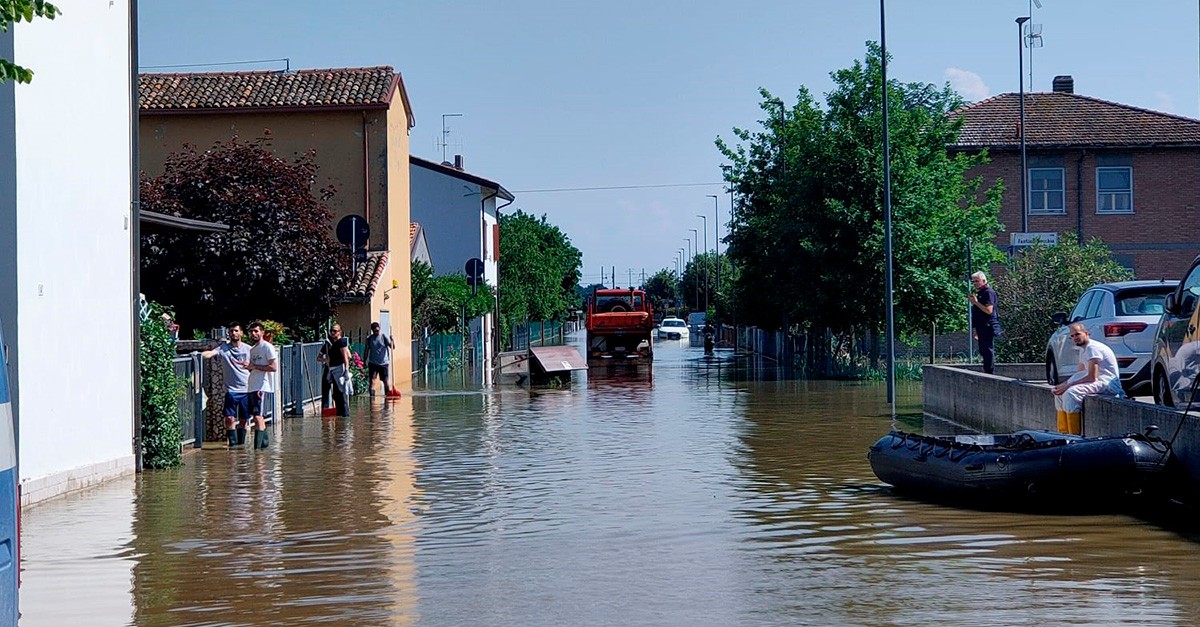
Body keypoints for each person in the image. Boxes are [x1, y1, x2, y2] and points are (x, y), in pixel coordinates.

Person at [1052, 322, 1123, 435]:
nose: (1075, 338)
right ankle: (1063, 434)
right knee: (1059, 394)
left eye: (1077, 334)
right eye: (1072, 336)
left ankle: (1074, 436)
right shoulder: (1083, 350)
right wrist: (1064, 385)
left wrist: (1068, 385)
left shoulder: (1092, 348)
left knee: (1071, 393)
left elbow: (1091, 377)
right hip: (1097, 382)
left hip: (1107, 384)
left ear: (1086, 333)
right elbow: (1080, 373)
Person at [201, 322, 252, 447]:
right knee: (229, 418)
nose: (233, 333)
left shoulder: (249, 349)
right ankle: (233, 445)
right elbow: (209, 353)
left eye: (236, 331)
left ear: (241, 333)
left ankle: (241, 445)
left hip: (247, 389)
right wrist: (198, 355)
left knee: (244, 419)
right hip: (231, 390)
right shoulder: (223, 348)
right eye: (231, 331)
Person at [246, 322, 277, 449]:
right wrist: (248, 367)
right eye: (251, 331)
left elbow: (273, 367)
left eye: (256, 331)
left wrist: (255, 366)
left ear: (262, 333)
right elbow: (252, 368)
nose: (254, 334)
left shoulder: (267, 347)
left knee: (258, 416)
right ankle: (262, 447)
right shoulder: (252, 350)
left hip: (262, 386)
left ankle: (258, 449)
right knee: (255, 416)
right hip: (252, 385)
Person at [968, 271, 1001, 374]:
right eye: (974, 282)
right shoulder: (980, 293)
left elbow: (988, 310)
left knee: (987, 349)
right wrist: (975, 329)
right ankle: (987, 371)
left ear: (984, 280)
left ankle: (990, 373)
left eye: (977, 281)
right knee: (983, 349)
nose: (975, 283)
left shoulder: (988, 292)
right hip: (981, 326)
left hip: (988, 325)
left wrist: (975, 302)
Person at [325, 323, 352, 417]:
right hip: (333, 369)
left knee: (342, 393)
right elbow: (349, 355)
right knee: (336, 394)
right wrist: (326, 359)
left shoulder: (341, 342)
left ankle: (345, 415)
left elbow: (346, 357)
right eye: (331, 331)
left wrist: (346, 370)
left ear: (340, 332)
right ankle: (340, 415)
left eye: (335, 331)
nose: (332, 333)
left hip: (340, 369)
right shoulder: (332, 343)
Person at [365, 322, 394, 396]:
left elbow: (392, 347)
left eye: (378, 331)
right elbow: (366, 350)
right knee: (372, 381)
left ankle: (387, 397)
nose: (376, 332)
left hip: (383, 363)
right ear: (372, 331)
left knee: (385, 381)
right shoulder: (369, 339)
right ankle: (372, 399)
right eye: (375, 331)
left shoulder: (383, 337)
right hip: (373, 363)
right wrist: (364, 360)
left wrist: (392, 340)